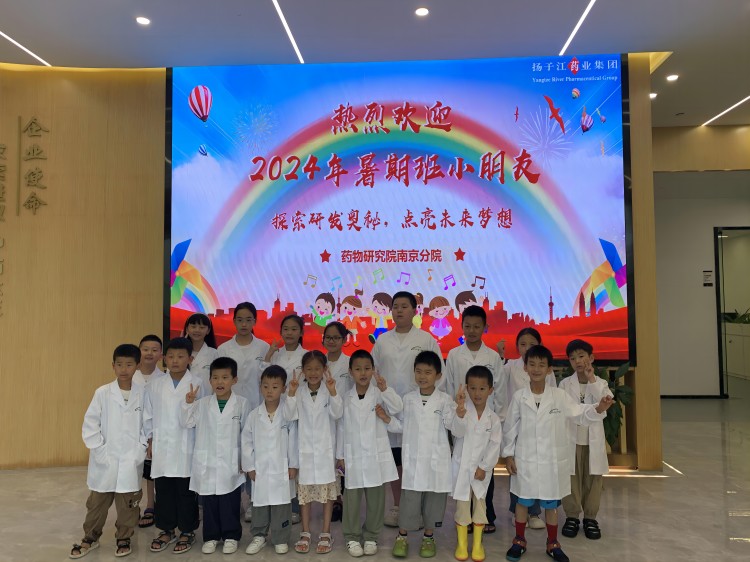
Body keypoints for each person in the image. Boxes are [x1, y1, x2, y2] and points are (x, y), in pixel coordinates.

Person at [502, 345, 614, 562]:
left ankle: (552, 543)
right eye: (532, 364)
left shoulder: (559, 396)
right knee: (522, 502)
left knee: (551, 504)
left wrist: (599, 408)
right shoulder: (519, 397)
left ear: (549, 369)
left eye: (541, 365)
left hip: (550, 462)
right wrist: (508, 455)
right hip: (525, 460)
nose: (536, 369)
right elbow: (510, 429)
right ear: (525, 368)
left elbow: (580, 413)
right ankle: (519, 540)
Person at [371, 291, 443, 527]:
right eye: (395, 306)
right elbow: (373, 373)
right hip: (389, 410)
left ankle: (417, 509)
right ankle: (397, 506)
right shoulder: (382, 341)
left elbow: (438, 373)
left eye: (404, 306)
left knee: (416, 458)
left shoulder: (426, 339)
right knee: (395, 459)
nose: (399, 310)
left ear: (414, 310)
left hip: (418, 408)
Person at [69, 344, 148, 559]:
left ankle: (124, 537)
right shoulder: (103, 392)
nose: (124, 369)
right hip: (105, 459)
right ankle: (90, 538)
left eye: (129, 364)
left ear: (137, 366)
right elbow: (90, 423)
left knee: (128, 503)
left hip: (130, 459)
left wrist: (140, 449)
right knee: (97, 503)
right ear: (113, 366)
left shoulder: (143, 393)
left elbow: (148, 424)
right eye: (119, 364)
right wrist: (99, 448)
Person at [386, 351, 459, 559]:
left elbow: (454, 427)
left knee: (433, 501)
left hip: (436, 461)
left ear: (438, 375)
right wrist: (387, 419)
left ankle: (429, 537)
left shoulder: (445, 400)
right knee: (409, 500)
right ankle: (402, 536)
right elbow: (401, 426)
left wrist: (460, 413)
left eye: (428, 372)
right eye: (418, 371)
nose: (422, 376)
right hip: (414, 461)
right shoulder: (408, 399)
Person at [445, 306, 508, 534]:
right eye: (467, 326)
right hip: (463, 419)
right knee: (464, 469)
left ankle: (485, 515)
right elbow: (449, 387)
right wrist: (454, 415)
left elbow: (500, 390)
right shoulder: (454, 355)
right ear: (461, 326)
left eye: (476, 326)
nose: (471, 331)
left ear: (485, 328)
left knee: (485, 470)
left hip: (486, 420)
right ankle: (465, 518)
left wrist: (498, 418)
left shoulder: (492, 356)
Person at [336, 350, 403, 557]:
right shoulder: (346, 398)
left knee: (376, 500)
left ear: (373, 370)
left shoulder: (380, 394)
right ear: (350, 372)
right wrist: (340, 455)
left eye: (367, 368)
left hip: (375, 455)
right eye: (358, 369)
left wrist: (385, 389)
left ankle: (372, 536)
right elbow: (340, 427)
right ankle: (352, 537)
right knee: (352, 500)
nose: (363, 373)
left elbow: (398, 408)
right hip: (353, 455)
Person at [181, 357, 250, 554]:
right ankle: (211, 537)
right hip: (207, 461)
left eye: (225, 377)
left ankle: (231, 536)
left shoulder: (242, 404)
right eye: (215, 377)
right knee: (209, 501)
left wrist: (244, 460)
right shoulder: (202, 403)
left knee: (230, 500)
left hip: (231, 461)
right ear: (210, 380)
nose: (220, 382)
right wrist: (188, 404)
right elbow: (187, 422)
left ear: (234, 380)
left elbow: (246, 434)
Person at [144, 337, 204, 554]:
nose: (175, 361)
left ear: (190, 359)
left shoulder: (198, 383)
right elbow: (148, 415)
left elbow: (202, 416)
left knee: (185, 492)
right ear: (164, 358)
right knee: (164, 490)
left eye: (180, 356)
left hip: (187, 445)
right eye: (171, 356)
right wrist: (150, 439)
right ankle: (166, 529)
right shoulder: (155, 384)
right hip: (162, 446)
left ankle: (187, 531)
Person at [217, 302, 270, 523]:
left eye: (249, 320)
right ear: (234, 321)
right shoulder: (223, 349)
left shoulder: (264, 348)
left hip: (257, 407)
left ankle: (253, 501)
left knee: (253, 454)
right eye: (240, 319)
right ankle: (235, 500)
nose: (244, 324)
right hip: (231, 408)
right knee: (233, 454)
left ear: (255, 321)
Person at [286, 350, 342, 554]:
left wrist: (333, 392)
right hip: (305, 452)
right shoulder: (299, 392)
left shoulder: (330, 390)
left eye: (317, 368)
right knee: (305, 495)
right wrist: (291, 393)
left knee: (328, 494)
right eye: (308, 369)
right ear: (302, 371)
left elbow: (338, 413)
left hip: (326, 451)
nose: (313, 373)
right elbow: (289, 416)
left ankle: (326, 532)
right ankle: (306, 532)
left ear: (325, 369)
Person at [500, 327, 556, 529]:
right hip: (517, 426)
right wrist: (501, 357)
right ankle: (518, 511)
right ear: (517, 347)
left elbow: (553, 396)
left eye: (532, 344)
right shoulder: (510, 366)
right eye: (523, 344)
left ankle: (534, 513)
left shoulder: (547, 371)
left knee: (537, 469)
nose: (527, 348)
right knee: (518, 471)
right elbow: (498, 381)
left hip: (540, 426)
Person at [559, 340, 612, 541]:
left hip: (593, 440)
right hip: (571, 438)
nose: (577, 361)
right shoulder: (564, 384)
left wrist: (591, 379)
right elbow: (567, 411)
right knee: (571, 478)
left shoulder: (600, 383)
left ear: (591, 358)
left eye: (581, 356)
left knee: (593, 479)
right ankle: (572, 516)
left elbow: (605, 402)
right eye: (573, 358)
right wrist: (593, 410)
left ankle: (590, 518)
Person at [242, 365, 299, 555]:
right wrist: (249, 466)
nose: (269, 391)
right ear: (260, 387)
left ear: (283, 389)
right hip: (260, 469)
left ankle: (281, 538)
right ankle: (259, 536)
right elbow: (246, 442)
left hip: (282, 468)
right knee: (259, 504)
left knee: (282, 505)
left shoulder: (288, 414)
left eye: (275, 387)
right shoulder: (254, 415)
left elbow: (294, 440)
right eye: (265, 386)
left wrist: (293, 465)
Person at [450, 366, 502, 562]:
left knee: (480, 507)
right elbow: (457, 432)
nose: (477, 393)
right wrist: (460, 413)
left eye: (482, 388)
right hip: (463, 469)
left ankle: (478, 544)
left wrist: (484, 467)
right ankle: (462, 544)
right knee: (462, 507)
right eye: (472, 388)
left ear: (490, 390)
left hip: (481, 472)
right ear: (466, 388)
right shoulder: (461, 411)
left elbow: (495, 444)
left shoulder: (493, 418)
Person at [132, 334, 165, 529]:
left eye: (154, 350)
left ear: (161, 354)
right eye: (145, 349)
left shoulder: (164, 378)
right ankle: (132, 508)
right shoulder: (130, 376)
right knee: (133, 471)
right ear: (139, 352)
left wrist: (152, 437)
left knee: (151, 471)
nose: (149, 353)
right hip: (132, 432)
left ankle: (150, 506)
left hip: (154, 432)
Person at [323, 321, 352, 522]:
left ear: (344, 340)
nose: (332, 341)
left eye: (336, 338)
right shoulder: (318, 363)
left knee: (345, 460)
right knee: (331, 461)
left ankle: (347, 502)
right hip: (324, 420)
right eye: (328, 337)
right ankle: (335, 501)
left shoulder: (350, 363)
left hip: (346, 419)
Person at [263, 314, 307, 379]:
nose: (289, 333)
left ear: (301, 332)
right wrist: (268, 355)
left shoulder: (307, 356)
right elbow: (263, 378)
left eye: (294, 329)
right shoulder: (274, 354)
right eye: (286, 329)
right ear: (281, 332)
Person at [183, 313, 219, 386]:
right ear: (187, 329)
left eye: (202, 327)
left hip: (208, 393)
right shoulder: (179, 352)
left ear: (208, 330)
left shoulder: (215, 354)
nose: (197, 330)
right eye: (193, 327)